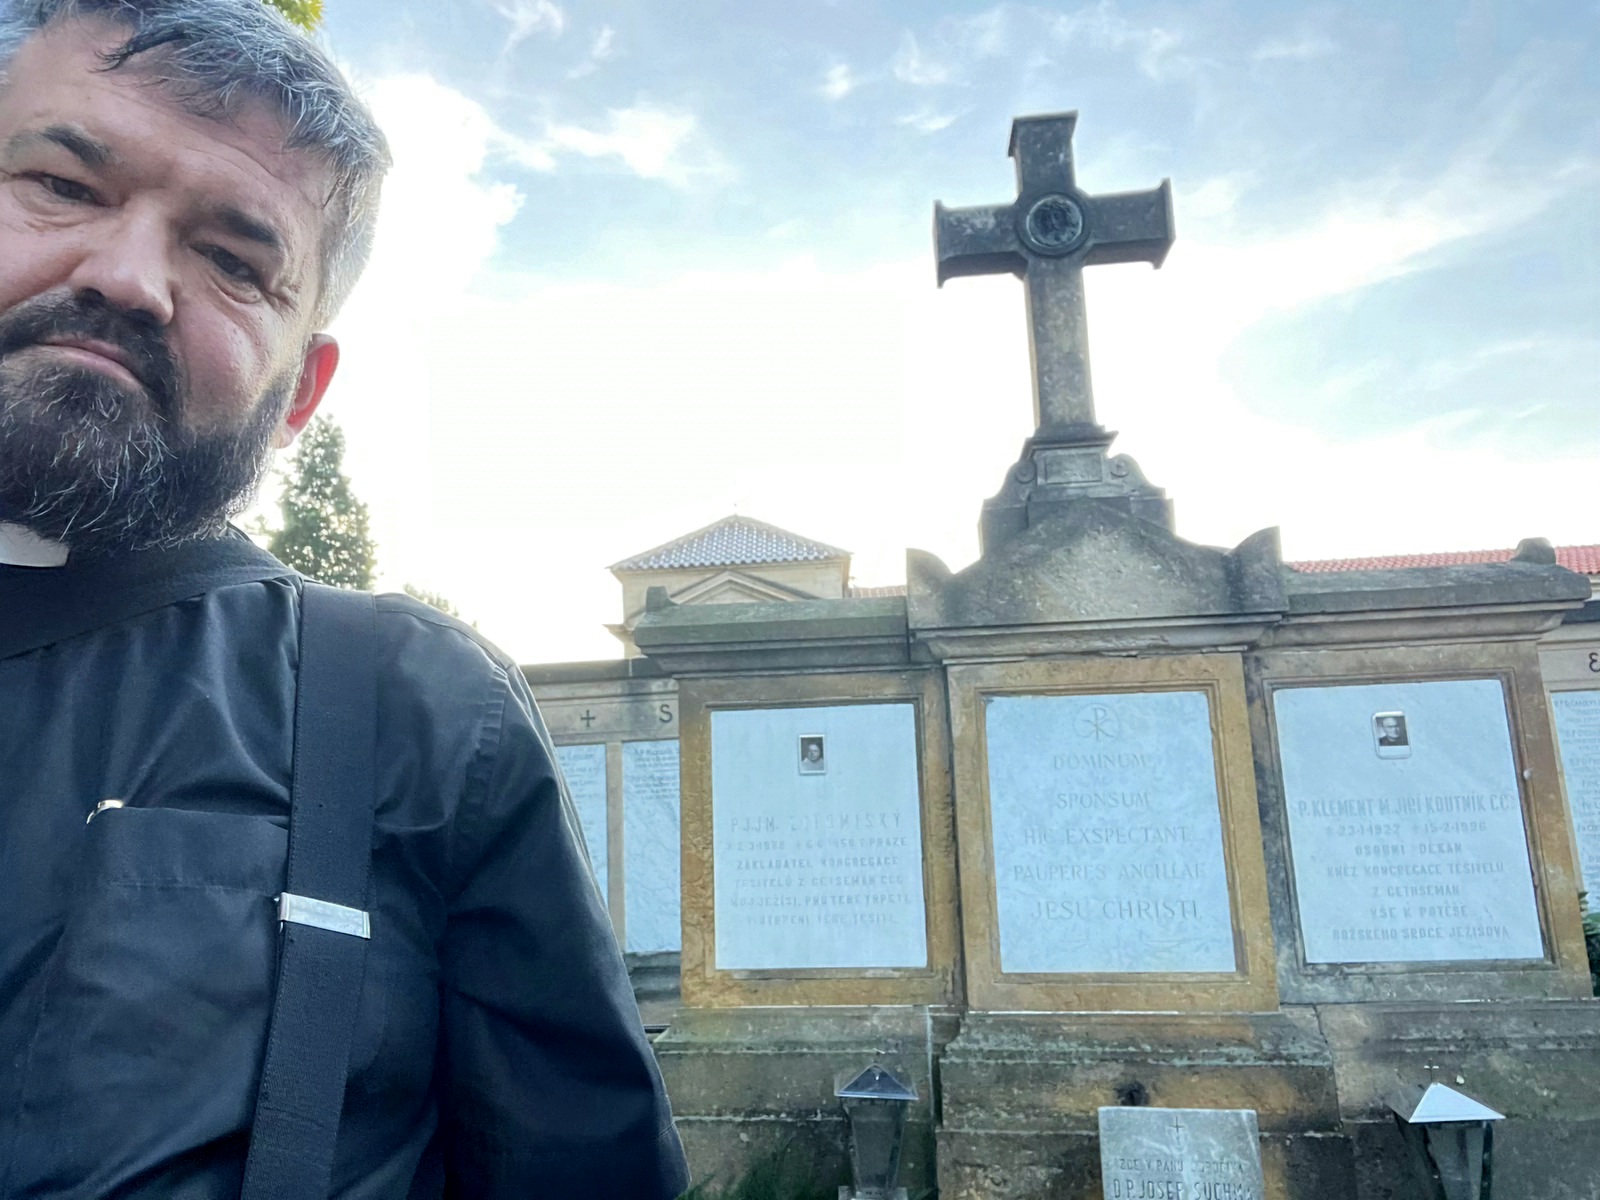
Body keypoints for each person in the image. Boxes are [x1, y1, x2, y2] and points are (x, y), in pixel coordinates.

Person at [0, 1, 690, 1195]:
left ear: (301, 393)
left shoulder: (421, 714)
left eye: (235, 261)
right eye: (62, 185)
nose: (128, 278)